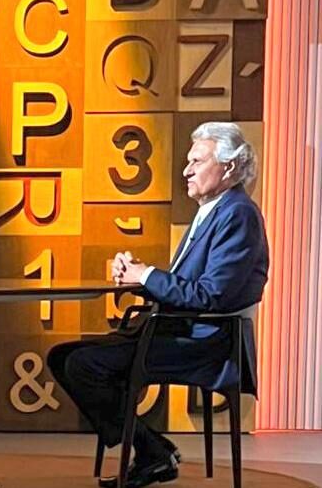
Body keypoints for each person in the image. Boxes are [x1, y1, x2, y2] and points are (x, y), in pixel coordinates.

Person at [47, 122, 269, 488]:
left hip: (204, 342)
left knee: (82, 365)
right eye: (188, 161)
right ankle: (153, 450)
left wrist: (147, 275)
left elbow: (211, 295)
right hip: (179, 330)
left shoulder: (238, 214)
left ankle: (152, 452)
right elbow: (190, 288)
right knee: (62, 356)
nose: (186, 171)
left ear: (228, 166)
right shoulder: (214, 210)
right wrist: (138, 278)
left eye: (197, 161)